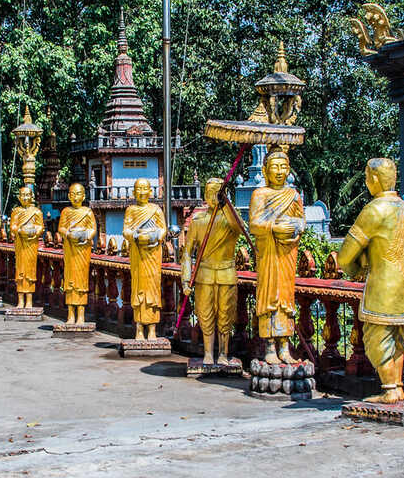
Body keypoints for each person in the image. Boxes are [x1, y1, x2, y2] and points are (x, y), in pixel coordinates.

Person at [338, 158, 404, 404]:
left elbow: (343, 257)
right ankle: (396, 385)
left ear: (373, 179)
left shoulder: (375, 209)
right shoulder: (403, 206)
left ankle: (390, 388)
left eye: (367, 177)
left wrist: (355, 270)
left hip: (384, 285)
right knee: (398, 338)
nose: (366, 182)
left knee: (377, 339)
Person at [249, 150, 305, 364]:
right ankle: (270, 346)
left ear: (288, 170)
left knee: (286, 298)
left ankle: (285, 346)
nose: (279, 171)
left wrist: (294, 228)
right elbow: (254, 224)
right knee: (269, 296)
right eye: (275, 167)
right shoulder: (259, 194)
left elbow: (301, 222)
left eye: (283, 167)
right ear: (265, 171)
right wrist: (274, 227)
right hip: (268, 253)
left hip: (287, 252)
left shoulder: (294, 195)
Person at [182, 178, 243, 365]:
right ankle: (208, 352)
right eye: (209, 193)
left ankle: (223, 354)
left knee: (225, 315)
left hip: (226, 271)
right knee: (205, 314)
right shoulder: (199, 220)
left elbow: (240, 229)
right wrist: (185, 279)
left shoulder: (230, 218)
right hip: (204, 273)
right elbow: (187, 252)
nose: (213, 196)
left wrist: (226, 206)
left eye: (217, 192)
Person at [123, 178, 167, 340]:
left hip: (153, 255)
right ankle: (139, 329)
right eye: (138, 189)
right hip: (138, 255)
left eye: (145, 189)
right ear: (134, 192)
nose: (142, 192)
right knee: (138, 289)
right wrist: (136, 235)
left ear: (151, 191)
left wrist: (154, 236)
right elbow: (126, 231)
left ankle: (153, 329)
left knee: (153, 290)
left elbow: (163, 229)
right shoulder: (131, 210)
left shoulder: (156, 210)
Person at [58, 183, 97, 324]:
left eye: (78, 193)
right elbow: (61, 228)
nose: (76, 196)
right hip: (70, 250)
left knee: (81, 281)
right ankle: (70, 314)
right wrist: (68, 233)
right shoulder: (66, 212)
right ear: (69, 196)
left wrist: (85, 235)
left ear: (84, 195)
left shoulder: (88, 212)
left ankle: (81, 314)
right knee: (70, 281)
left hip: (82, 250)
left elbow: (93, 229)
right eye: (73, 194)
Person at [10, 187, 43, 308]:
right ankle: (20, 301)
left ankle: (29, 301)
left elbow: (40, 227)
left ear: (31, 197)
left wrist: (33, 231)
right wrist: (19, 230)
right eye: (22, 195)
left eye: (27, 195)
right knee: (20, 272)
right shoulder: (16, 211)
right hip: (20, 244)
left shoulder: (36, 212)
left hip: (31, 245)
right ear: (19, 197)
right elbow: (12, 226)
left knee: (30, 272)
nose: (25, 198)